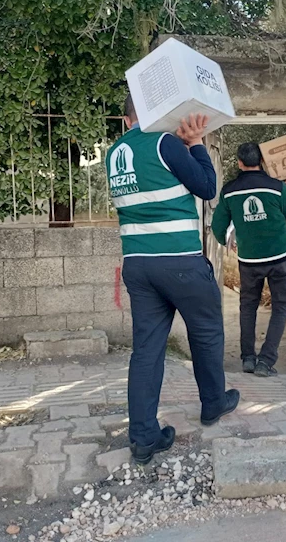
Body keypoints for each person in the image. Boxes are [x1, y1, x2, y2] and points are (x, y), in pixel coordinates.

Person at [107, 94, 240, 465]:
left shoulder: (114, 153)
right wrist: (195, 144)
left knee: (147, 351)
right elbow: (207, 187)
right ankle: (213, 403)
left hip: (138, 265)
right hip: (180, 260)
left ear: (126, 118)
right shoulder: (164, 143)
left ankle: (143, 438)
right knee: (206, 332)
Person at [211, 142, 286, 377]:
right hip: (279, 257)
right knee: (280, 307)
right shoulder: (277, 187)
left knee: (248, 306)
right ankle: (266, 361)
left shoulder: (229, 191)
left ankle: (248, 358)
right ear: (262, 161)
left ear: (239, 162)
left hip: (249, 260)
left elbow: (218, 226)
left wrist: (227, 241)